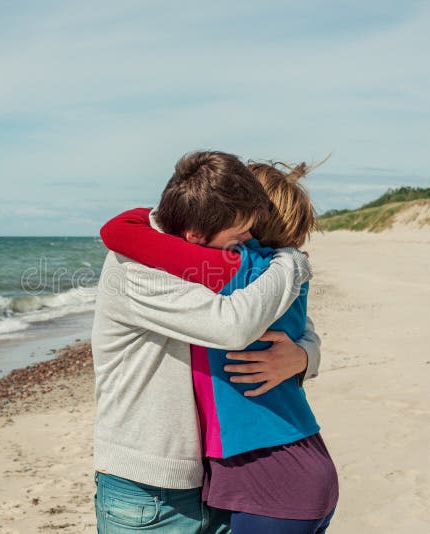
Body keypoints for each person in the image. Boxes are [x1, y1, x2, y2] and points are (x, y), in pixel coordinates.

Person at [99, 160, 338, 533]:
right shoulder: (138, 267)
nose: (245, 243)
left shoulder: (231, 269)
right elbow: (233, 325)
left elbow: (297, 325)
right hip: (151, 485)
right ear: (197, 233)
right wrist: (290, 262)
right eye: (240, 233)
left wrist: (305, 355)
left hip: (221, 479)